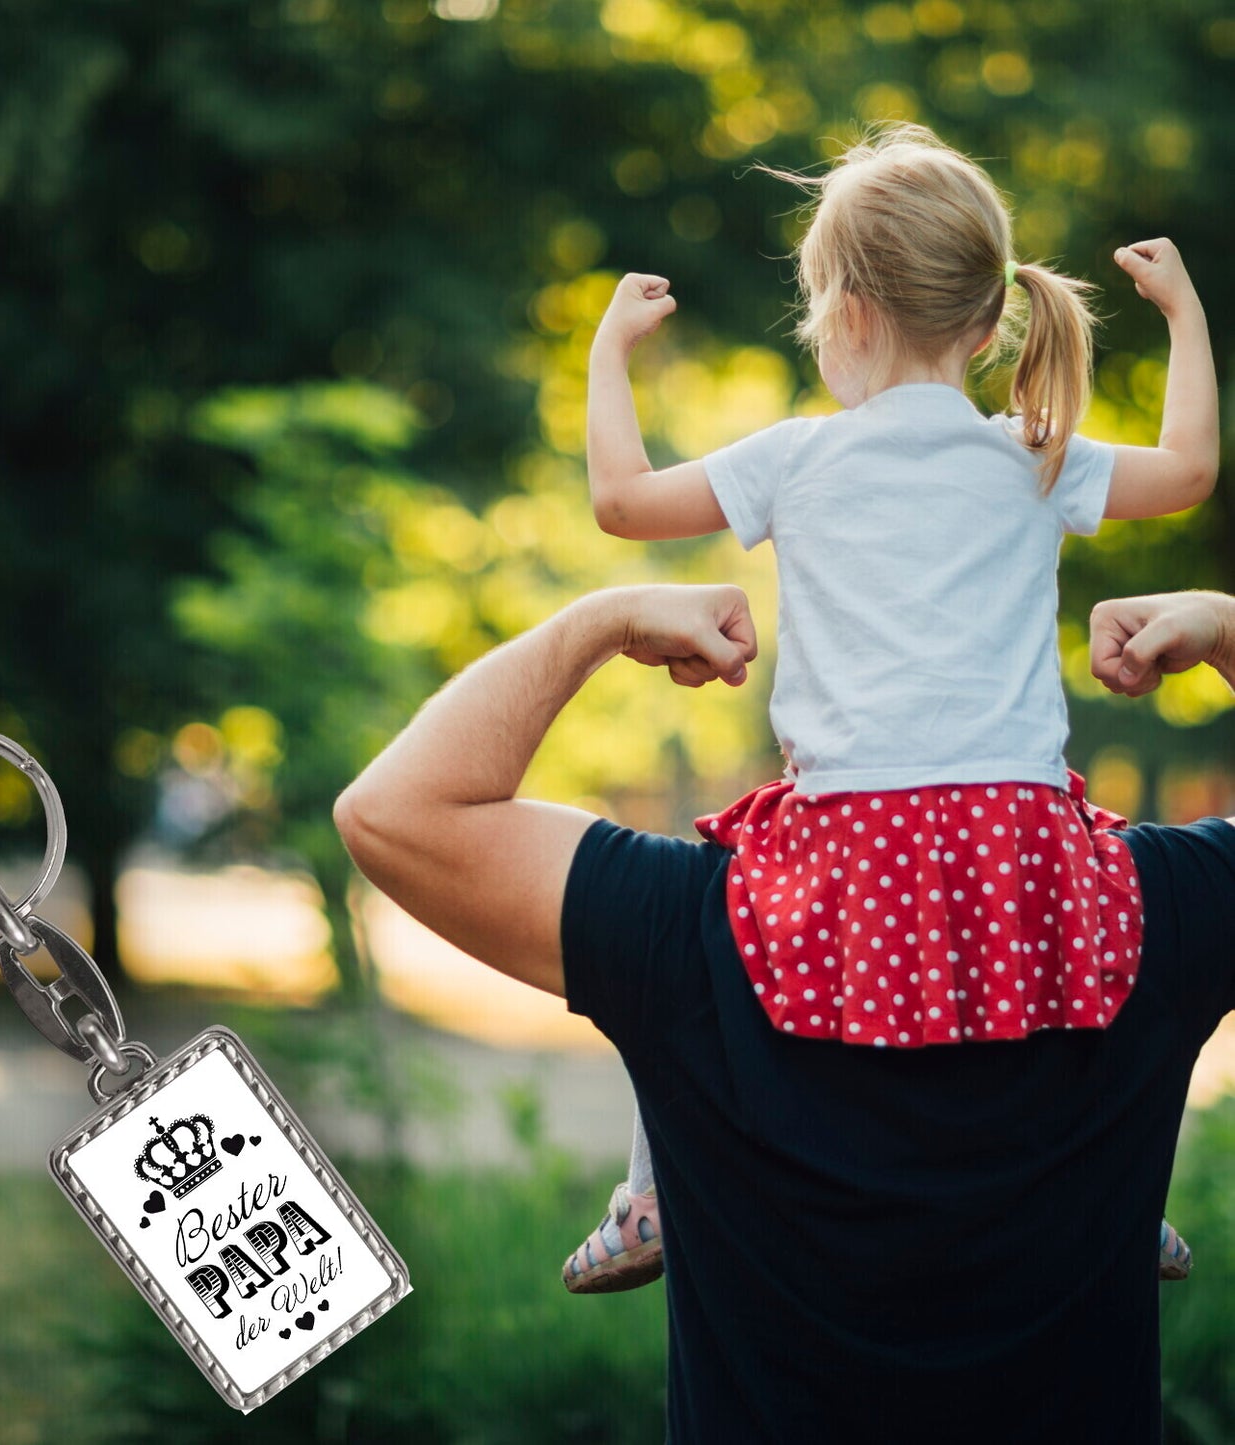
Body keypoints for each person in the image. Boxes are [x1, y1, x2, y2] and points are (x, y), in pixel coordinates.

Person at [335, 584, 1235, 1443]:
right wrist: (1227, 629)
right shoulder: (1145, 911)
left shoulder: (695, 923)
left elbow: (393, 812)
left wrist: (597, 624)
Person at [568, 123, 1217, 1292]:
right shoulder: (1034, 451)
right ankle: (1127, 1197)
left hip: (846, 834)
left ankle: (650, 1198)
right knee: (1110, 948)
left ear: (844, 315)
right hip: (1017, 830)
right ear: (985, 321)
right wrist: (1183, 318)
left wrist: (607, 349)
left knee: (677, 937)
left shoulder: (794, 459)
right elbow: (1186, 469)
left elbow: (619, 500)